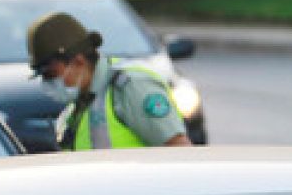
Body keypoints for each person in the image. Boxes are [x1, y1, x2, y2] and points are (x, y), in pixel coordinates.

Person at [26, 11, 192, 149]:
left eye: (51, 74)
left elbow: (179, 151)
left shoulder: (130, 87)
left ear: (78, 61)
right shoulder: (77, 108)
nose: (47, 83)